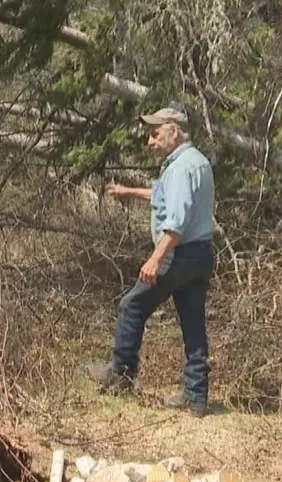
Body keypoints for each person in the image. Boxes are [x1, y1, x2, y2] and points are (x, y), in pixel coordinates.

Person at [85, 107, 216, 417]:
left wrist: (156, 259)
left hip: (178, 253)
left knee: (132, 306)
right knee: (193, 323)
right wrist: (128, 191)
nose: (150, 141)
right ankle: (197, 396)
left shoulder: (182, 167)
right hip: (201, 255)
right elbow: (163, 193)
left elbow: (177, 224)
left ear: (174, 129)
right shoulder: (197, 162)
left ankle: (121, 375)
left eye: (155, 133)